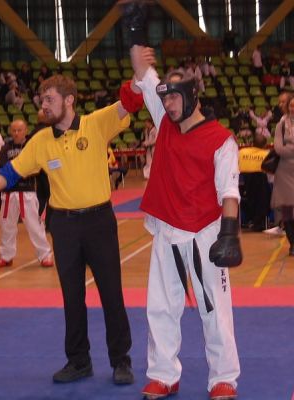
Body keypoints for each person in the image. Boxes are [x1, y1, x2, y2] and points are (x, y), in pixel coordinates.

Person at [0, 74, 139, 385]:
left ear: (69, 100)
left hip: (99, 222)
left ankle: (120, 360)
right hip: (64, 226)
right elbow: (10, 171)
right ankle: (79, 361)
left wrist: (139, 77)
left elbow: (129, 103)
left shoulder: (96, 124)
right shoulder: (41, 140)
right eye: (42, 99)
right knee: (72, 296)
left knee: (111, 293)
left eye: (50, 99)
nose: (43, 105)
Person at [129, 45, 242, 400]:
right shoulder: (165, 123)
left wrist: (229, 235)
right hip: (166, 230)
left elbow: (229, 191)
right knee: (160, 306)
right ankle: (163, 374)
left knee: (215, 309)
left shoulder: (221, 139)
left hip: (206, 233)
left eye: (175, 97)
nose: (168, 104)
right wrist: (134, 38)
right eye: (165, 98)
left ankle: (223, 377)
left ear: (193, 95)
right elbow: (144, 73)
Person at [0, 119, 54, 268]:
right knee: (6, 226)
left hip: (27, 192)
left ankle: (45, 255)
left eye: (19, 130)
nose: (16, 133)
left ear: (25, 130)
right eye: (13, 130)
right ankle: (6, 256)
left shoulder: (31, 146)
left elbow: (36, 168)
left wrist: (19, 171)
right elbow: (2, 167)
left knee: (34, 225)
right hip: (8, 193)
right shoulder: (6, 148)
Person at [270, 94, 294, 255]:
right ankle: (293, 244)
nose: (293, 108)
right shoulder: (281, 124)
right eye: (291, 105)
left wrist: (289, 148)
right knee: (288, 212)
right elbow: (278, 148)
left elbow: (285, 148)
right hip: (284, 173)